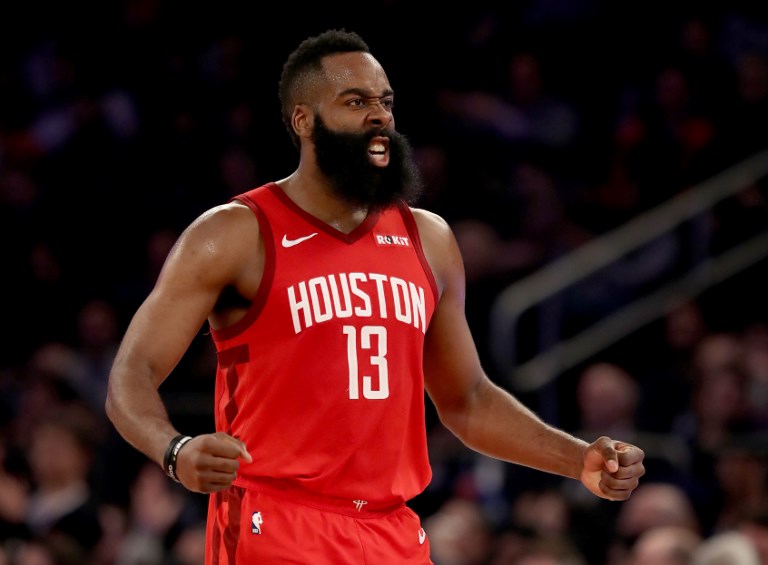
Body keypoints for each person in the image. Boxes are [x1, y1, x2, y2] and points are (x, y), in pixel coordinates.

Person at [105, 28, 646, 564]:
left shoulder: (428, 239)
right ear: (303, 120)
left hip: (392, 529)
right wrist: (174, 450)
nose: (380, 116)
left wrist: (578, 459)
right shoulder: (234, 233)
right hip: (276, 521)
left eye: (385, 102)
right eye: (355, 101)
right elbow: (131, 376)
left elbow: (467, 401)